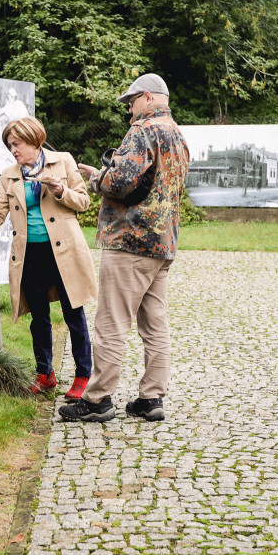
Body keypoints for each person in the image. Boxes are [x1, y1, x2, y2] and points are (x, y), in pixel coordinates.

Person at [58, 73, 190, 423]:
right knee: (155, 324)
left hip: (130, 243)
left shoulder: (143, 131)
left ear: (147, 97)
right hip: (163, 244)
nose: (129, 111)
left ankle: (98, 399)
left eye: (131, 103)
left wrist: (96, 178)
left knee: (112, 322)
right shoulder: (178, 135)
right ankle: (151, 397)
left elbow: (118, 182)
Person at [0, 117, 97, 399]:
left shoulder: (62, 161)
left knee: (73, 314)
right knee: (38, 317)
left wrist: (61, 191)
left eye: (16, 144)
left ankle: (83, 376)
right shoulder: (9, 175)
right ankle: (45, 374)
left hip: (64, 253)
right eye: (9, 145)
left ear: (33, 139)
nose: (12, 150)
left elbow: (84, 202)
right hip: (30, 255)